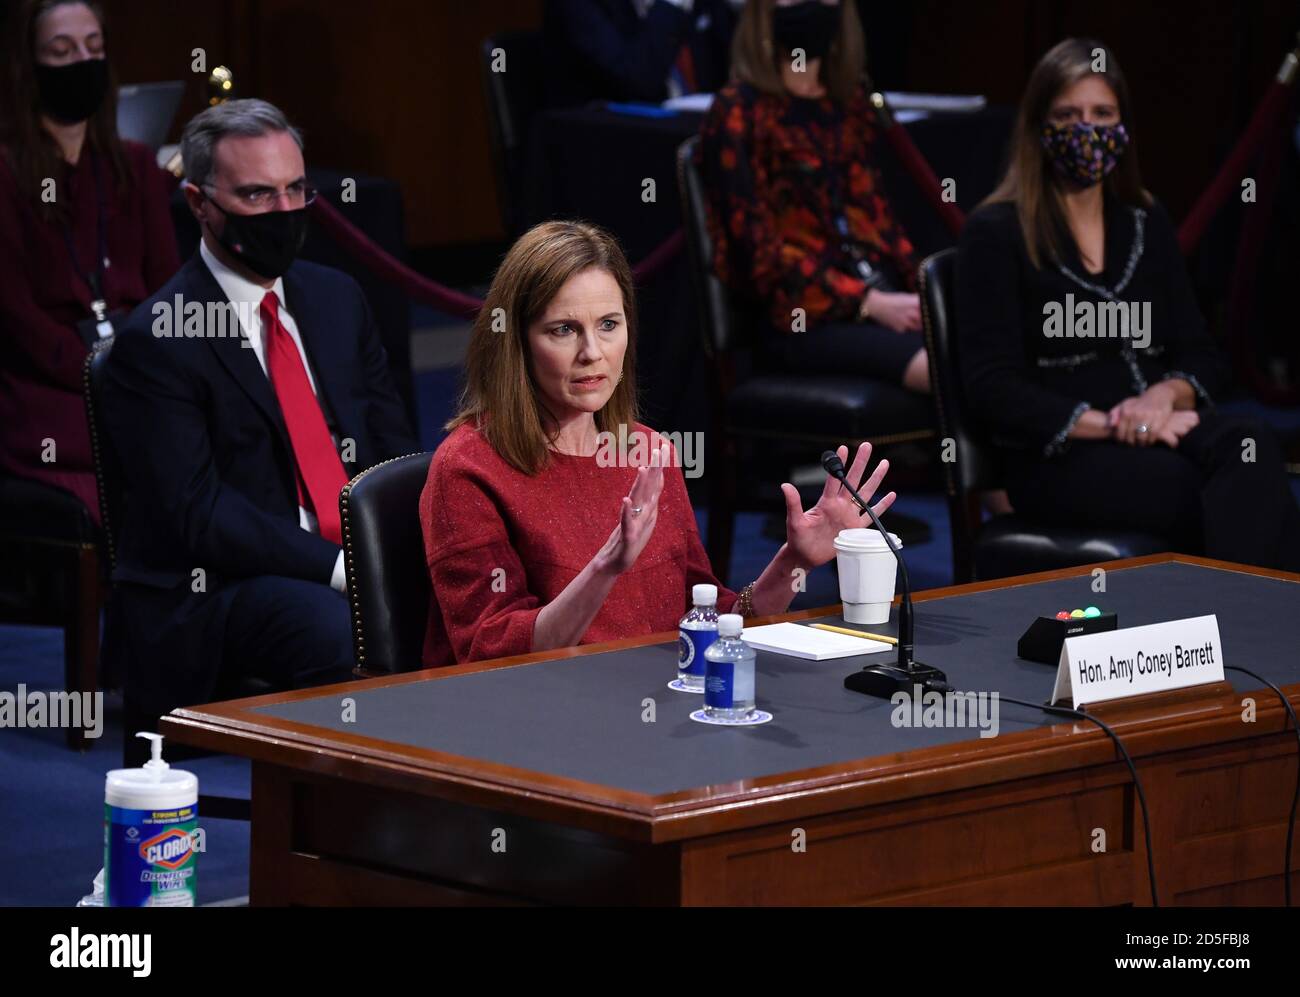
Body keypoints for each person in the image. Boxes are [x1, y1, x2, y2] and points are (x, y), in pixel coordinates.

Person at [420, 219, 896, 665]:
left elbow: (703, 620)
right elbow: (490, 656)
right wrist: (605, 568)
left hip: (662, 711)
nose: (592, 353)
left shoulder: (647, 452)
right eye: (563, 330)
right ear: (517, 343)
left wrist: (794, 561)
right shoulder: (469, 468)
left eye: (609, 324)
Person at [101, 99, 417, 717]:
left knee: (485, 605)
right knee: (341, 632)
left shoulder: (336, 298)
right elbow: (200, 515)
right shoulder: (159, 337)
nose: (285, 213)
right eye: (257, 196)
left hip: (350, 556)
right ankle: (342, 813)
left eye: (296, 189)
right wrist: (339, 567)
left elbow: (392, 445)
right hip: (223, 587)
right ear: (199, 204)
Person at [958, 38, 1300, 571]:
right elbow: (991, 387)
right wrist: (1118, 424)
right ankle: (1241, 634)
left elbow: (1202, 351)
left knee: (1250, 443)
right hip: (1059, 453)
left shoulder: (1144, 220)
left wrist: (1164, 395)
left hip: (1157, 425)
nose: (1086, 130)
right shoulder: (995, 232)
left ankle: (1254, 632)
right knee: (1211, 490)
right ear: (1038, 127)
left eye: (1102, 114)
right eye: (1068, 115)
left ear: (1123, 124)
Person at [0, 0, 179, 519]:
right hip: (47, 389)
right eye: (62, 50)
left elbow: (167, 290)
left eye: (93, 48)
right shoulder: (9, 176)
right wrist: (102, 372)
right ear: (30, 67)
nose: (82, 60)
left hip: (136, 367)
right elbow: (16, 318)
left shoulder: (136, 166)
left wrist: (144, 365)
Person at [696, 0, 928, 393]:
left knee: (984, 346)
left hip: (874, 295)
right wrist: (867, 302)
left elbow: (878, 221)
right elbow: (761, 262)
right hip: (797, 317)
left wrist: (926, 293)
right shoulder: (739, 112)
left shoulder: (848, 103)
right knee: (953, 369)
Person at [544, 0, 740, 108]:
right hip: (614, 146)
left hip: (696, 134)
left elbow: (736, 74)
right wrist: (671, 5)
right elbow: (639, 82)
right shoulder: (579, 5)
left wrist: (743, 12)